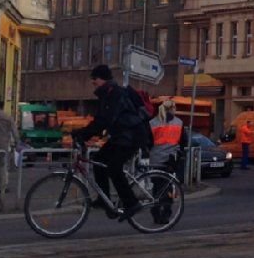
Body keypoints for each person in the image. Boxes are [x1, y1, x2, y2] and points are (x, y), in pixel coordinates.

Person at [72, 64, 151, 218]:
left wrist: (83, 134)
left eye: (94, 80)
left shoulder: (116, 94)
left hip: (132, 136)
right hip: (121, 137)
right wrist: (82, 134)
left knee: (114, 168)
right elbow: (99, 120)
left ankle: (132, 203)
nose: (93, 84)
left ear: (102, 79)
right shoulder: (107, 95)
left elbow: (104, 121)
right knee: (99, 160)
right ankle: (104, 199)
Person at [150, 100, 184, 177]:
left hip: (156, 158)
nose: (176, 109)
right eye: (175, 107)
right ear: (171, 109)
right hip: (171, 158)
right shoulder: (179, 122)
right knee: (168, 183)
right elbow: (183, 141)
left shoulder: (153, 122)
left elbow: (148, 141)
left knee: (156, 184)